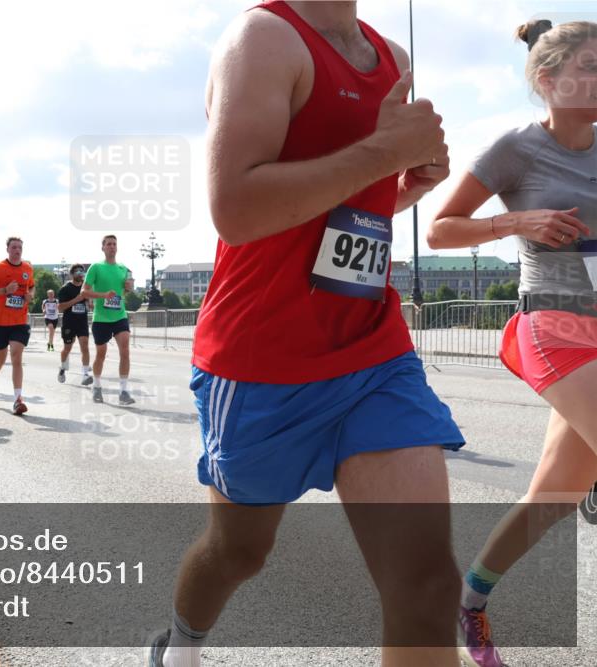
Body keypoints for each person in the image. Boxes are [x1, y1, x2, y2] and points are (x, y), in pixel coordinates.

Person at [148, 3, 460, 667]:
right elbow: (236, 209)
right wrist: (386, 151)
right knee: (240, 551)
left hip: (373, 352)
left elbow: (350, 204)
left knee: (429, 585)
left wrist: (405, 184)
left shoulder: (392, 57)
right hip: (262, 362)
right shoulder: (263, 38)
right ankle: (180, 648)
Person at [426, 19, 597, 667]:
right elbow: (441, 229)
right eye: (591, 66)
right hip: (554, 324)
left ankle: (468, 601)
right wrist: (518, 220)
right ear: (549, 80)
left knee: (553, 497)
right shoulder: (517, 149)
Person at [0, 237, 35, 415]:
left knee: (16, 356)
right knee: (1, 359)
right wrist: (4, 290)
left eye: (20, 247)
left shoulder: (27, 268)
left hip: (19, 321)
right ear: (8, 249)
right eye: (14, 247)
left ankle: (18, 399)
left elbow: (31, 287)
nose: (17, 250)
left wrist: (30, 295)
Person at [82, 236, 135, 405]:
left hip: (120, 315)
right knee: (101, 354)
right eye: (109, 244)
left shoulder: (123, 269)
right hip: (101, 318)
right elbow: (84, 292)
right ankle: (97, 385)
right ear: (103, 248)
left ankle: (124, 391)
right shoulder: (96, 267)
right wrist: (103, 295)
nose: (112, 247)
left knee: (125, 351)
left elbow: (126, 290)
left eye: (114, 244)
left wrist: (128, 288)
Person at [57, 263, 93, 385]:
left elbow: (89, 302)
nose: (80, 273)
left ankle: (85, 374)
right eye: (77, 271)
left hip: (82, 322)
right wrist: (76, 300)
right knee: (67, 348)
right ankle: (62, 368)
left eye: (82, 271)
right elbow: (60, 307)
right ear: (72, 274)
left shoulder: (85, 288)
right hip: (69, 323)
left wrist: (90, 303)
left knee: (85, 346)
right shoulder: (65, 288)